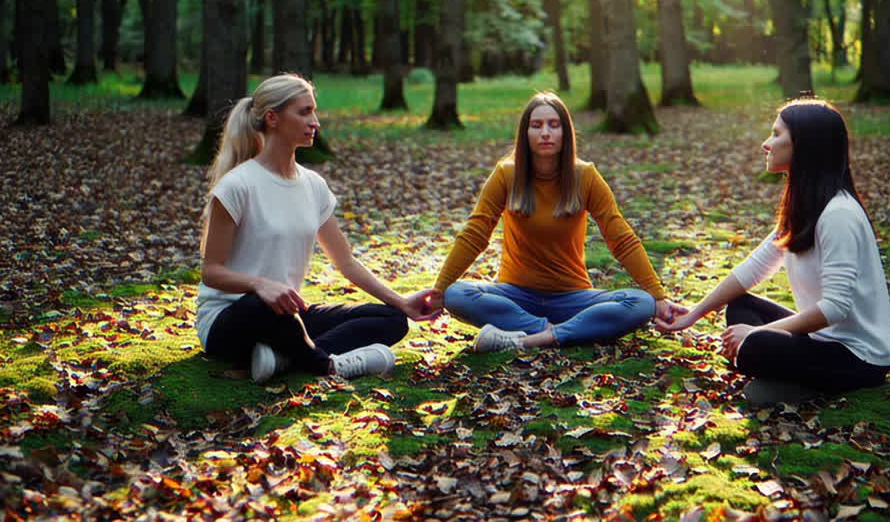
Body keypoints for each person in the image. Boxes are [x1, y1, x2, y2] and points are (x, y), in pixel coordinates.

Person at [197, 73, 439, 383]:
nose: (315, 122)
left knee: (390, 319)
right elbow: (212, 272)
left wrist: (402, 301)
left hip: (287, 317)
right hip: (233, 319)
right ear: (272, 118)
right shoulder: (237, 185)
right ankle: (327, 365)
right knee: (265, 308)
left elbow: (346, 263)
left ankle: (283, 358)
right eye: (304, 112)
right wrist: (260, 285)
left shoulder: (313, 185)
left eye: (314, 111)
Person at [657, 99, 890, 407]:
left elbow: (835, 308)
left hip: (858, 358)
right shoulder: (806, 207)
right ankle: (785, 375)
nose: (766, 144)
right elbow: (753, 269)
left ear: (805, 144)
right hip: (820, 340)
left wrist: (756, 333)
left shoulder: (839, 214)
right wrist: (693, 314)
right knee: (740, 305)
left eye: (776, 134)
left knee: (757, 345)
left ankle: (798, 385)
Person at [434, 91, 684, 353]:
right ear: (525, 133)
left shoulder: (585, 176)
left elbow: (621, 238)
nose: (545, 133)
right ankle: (561, 330)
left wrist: (658, 295)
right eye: (537, 125)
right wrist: (439, 289)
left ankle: (532, 339)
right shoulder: (506, 175)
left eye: (554, 125)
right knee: (457, 294)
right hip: (515, 297)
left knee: (641, 303)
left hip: (573, 297)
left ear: (566, 133)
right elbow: (475, 233)